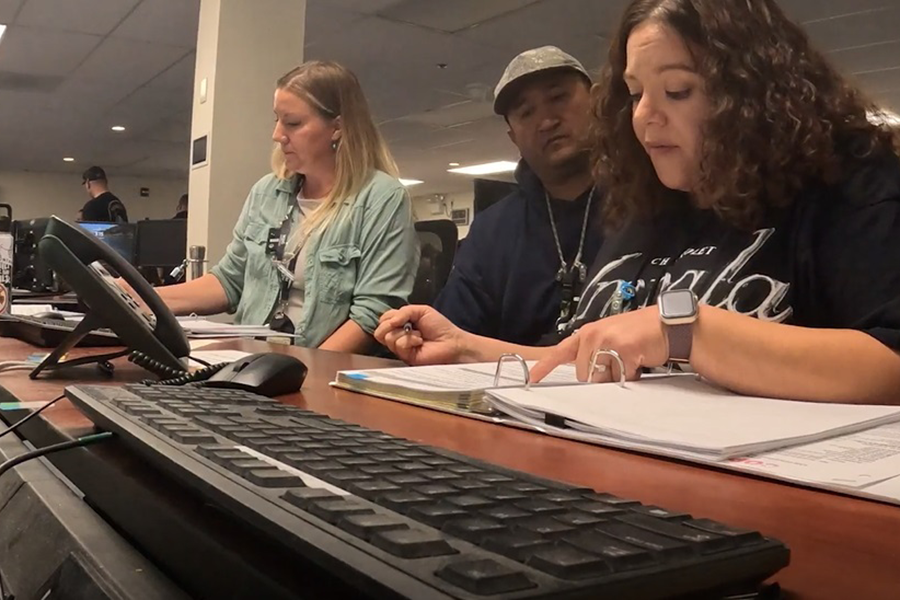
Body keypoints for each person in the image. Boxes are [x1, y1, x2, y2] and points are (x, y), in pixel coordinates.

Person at [376, 0, 900, 405]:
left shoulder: (849, 183)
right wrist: (467, 347)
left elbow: (890, 361)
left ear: (752, 93)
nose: (645, 115)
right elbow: (595, 356)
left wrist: (687, 330)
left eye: (676, 91)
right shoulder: (646, 208)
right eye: (634, 93)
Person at [157, 60, 419, 352]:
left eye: (292, 123)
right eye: (277, 120)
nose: (277, 134)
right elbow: (230, 281)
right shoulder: (267, 192)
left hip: (321, 373)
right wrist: (140, 298)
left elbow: (373, 313)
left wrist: (305, 370)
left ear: (337, 128)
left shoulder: (382, 198)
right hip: (252, 362)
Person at [432, 46, 604, 345]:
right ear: (513, 137)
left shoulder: (652, 202)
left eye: (558, 98)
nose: (547, 121)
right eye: (526, 112)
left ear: (597, 102)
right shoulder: (492, 232)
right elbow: (452, 337)